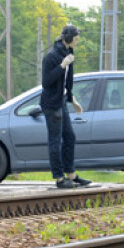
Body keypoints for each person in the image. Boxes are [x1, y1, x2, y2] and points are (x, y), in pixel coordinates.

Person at [40, 24, 92, 189]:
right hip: (51, 104)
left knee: (69, 137)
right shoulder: (52, 56)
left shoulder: (68, 53)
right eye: (75, 39)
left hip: (61, 101)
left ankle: (71, 174)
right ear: (68, 38)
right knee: (55, 141)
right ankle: (59, 178)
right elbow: (46, 82)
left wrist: (72, 98)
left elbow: (66, 81)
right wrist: (62, 66)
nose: (77, 41)